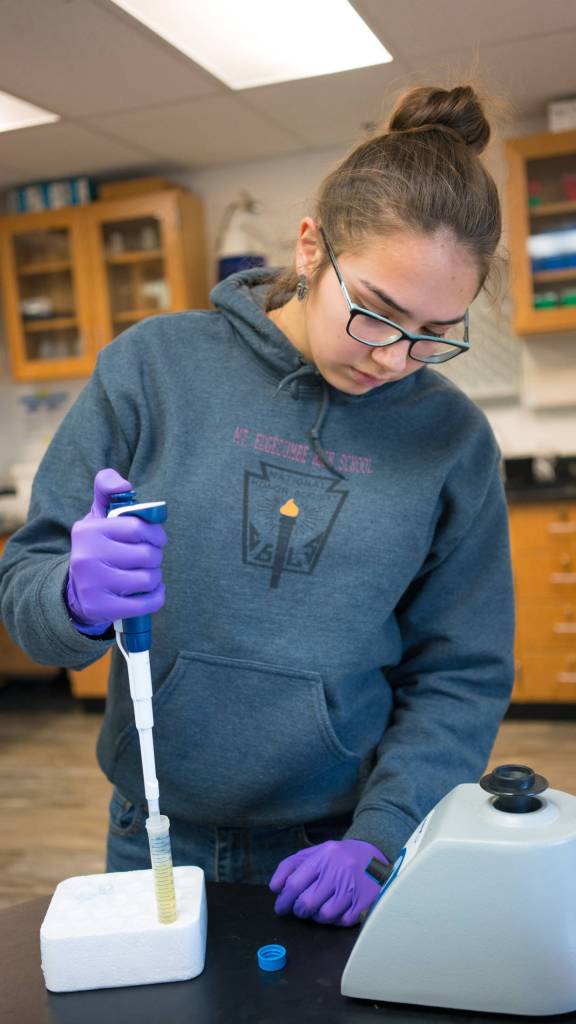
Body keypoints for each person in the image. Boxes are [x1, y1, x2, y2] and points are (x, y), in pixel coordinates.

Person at [0, 84, 514, 928]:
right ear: (311, 249)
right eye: (378, 314)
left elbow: (461, 674)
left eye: (435, 334)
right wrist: (70, 597)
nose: (396, 358)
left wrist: (382, 836)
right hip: (154, 830)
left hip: (334, 848)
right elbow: (27, 591)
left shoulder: (450, 441)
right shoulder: (154, 369)